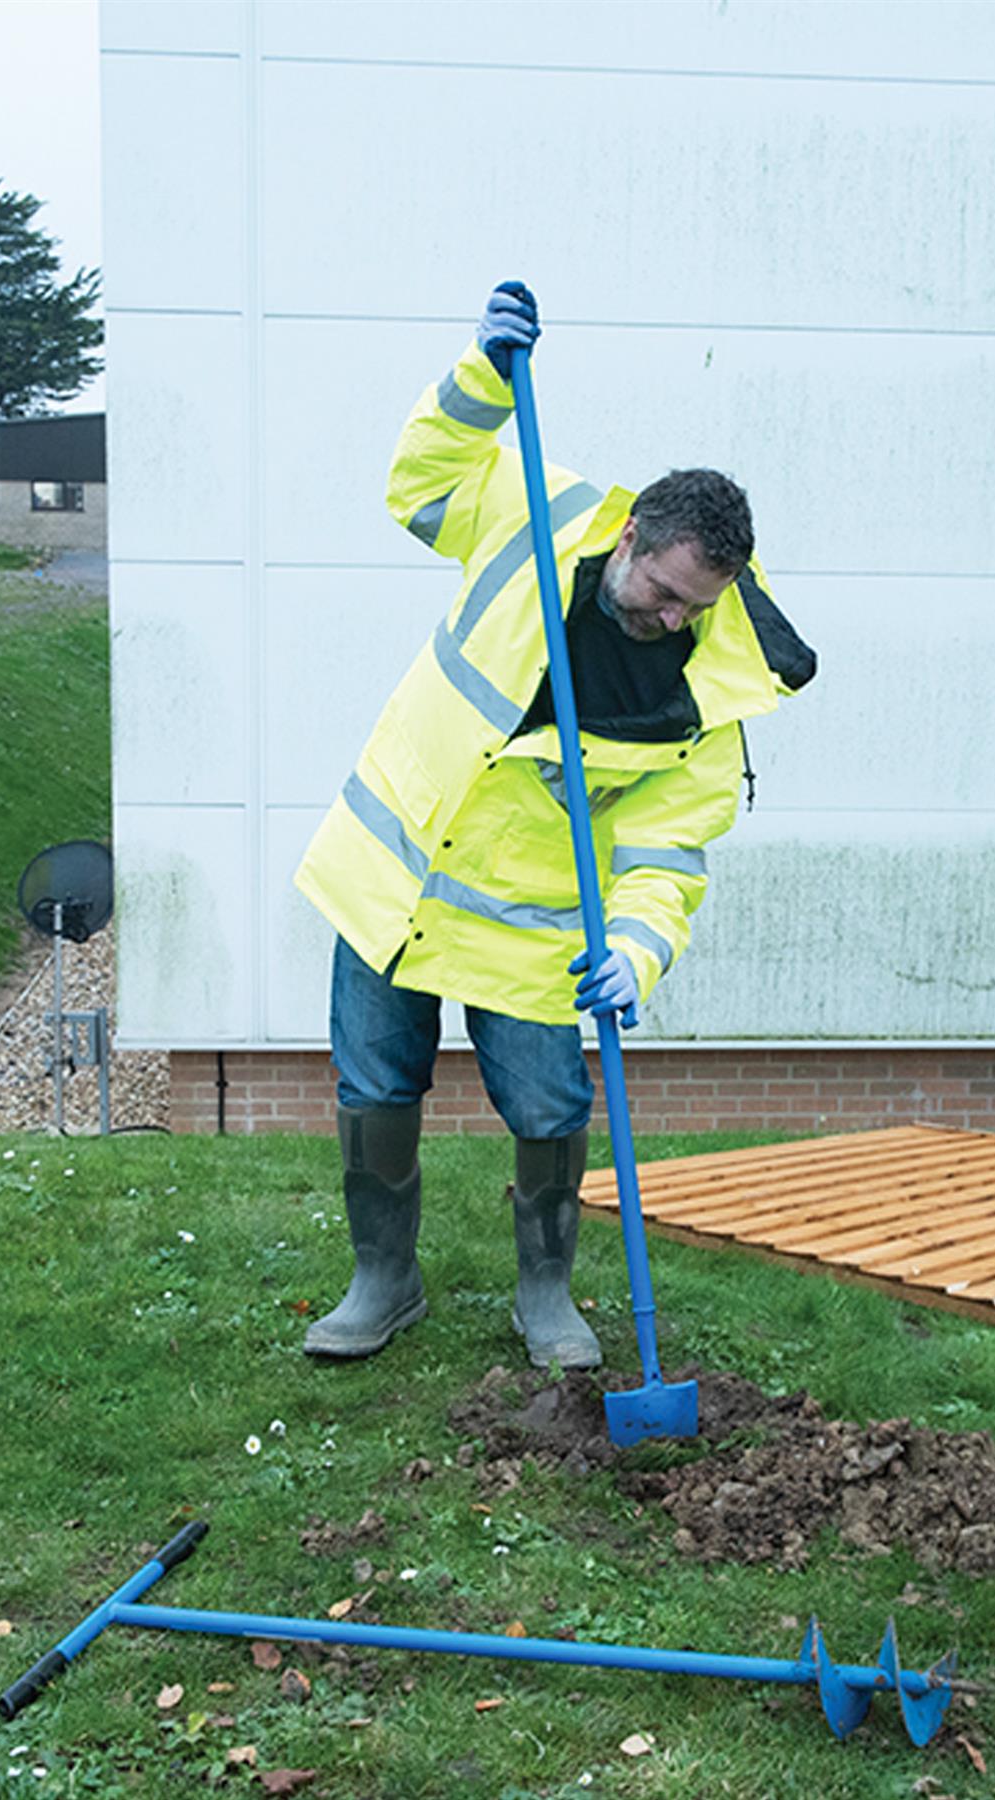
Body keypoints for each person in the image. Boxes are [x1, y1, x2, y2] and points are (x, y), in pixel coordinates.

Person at [294, 281, 816, 1371]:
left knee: (547, 1105)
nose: (670, 617)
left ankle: (546, 1295)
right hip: (396, 879)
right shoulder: (537, 512)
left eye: (692, 606)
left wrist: (634, 952)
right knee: (375, 1088)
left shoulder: (713, 690)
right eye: (661, 589)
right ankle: (382, 1281)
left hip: (534, 931)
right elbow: (420, 482)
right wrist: (483, 380)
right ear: (631, 534)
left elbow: (670, 852)